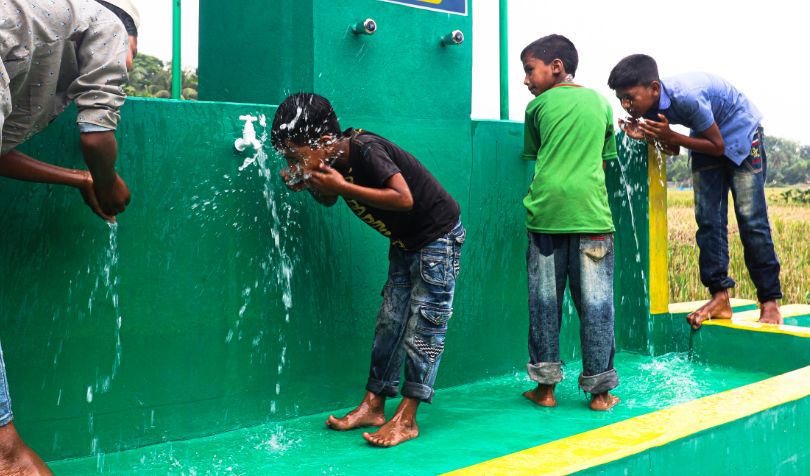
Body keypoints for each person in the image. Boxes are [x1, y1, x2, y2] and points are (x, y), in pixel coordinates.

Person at [270, 93, 465, 447]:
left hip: (437, 239)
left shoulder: (366, 149)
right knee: (390, 322)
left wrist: (343, 186)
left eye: (296, 157)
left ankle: (407, 417)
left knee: (425, 325)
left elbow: (404, 198)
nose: (293, 163)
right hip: (404, 242)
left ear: (324, 141)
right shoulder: (331, 157)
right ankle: (374, 404)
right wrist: (308, 182)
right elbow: (330, 198)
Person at [0, 1, 139, 473]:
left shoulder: (35, 29)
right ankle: (7, 455)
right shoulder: (109, 24)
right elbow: (96, 134)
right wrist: (106, 180)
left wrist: (79, 180)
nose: (124, 72)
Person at [607, 54, 782, 329]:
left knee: (751, 220)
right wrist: (649, 135)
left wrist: (670, 135)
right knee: (708, 219)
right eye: (621, 100)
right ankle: (720, 297)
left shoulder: (687, 96)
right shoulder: (648, 108)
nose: (626, 105)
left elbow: (717, 146)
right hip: (706, 137)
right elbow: (673, 148)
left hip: (741, 133)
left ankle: (769, 301)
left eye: (629, 98)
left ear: (654, 88)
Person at [520, 35, 620, 411]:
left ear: (556, 67)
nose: (526, 80)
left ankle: (545, 390)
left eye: (530, 70)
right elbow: (603, 162)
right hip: (592, 217)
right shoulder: (601, 103)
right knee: (597, 305)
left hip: (546, 217)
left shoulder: (537, 108)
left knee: (544, 304)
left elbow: (537, 156)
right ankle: (600, 394)